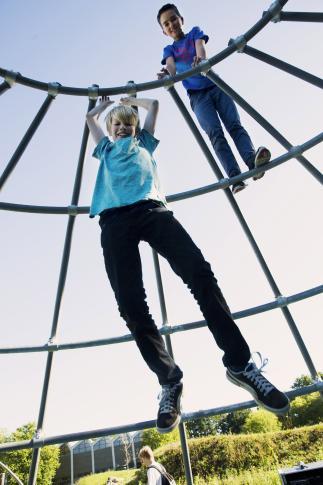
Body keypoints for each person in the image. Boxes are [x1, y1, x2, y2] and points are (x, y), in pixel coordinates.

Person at [86, 94, 289, 434]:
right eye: (116, 125)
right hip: (114, 221)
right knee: (131, 305)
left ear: (136, 130)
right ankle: (169, 381)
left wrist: (132, 100)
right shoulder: (105, 149)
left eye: (127, 124)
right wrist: (104, 110)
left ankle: (240, 364)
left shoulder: (144, 144)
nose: (121, 128)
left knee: (200, 275)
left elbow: (155, 108)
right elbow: (91, 121)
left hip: (152, 211)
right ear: (110, 129)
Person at [157, 3, 271, 194]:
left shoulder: (194, 32)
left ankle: (253, 163)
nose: (171, 25)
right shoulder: (169, 50)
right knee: (215, 134)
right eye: (166, 24)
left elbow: (200, 48)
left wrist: (200, 60)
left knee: (234, 125)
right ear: (163, 31)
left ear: (181, 20)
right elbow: (171, 66)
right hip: (198, 97)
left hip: (215, 85)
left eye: (173, 19)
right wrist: (167, 75)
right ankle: (235, 178)